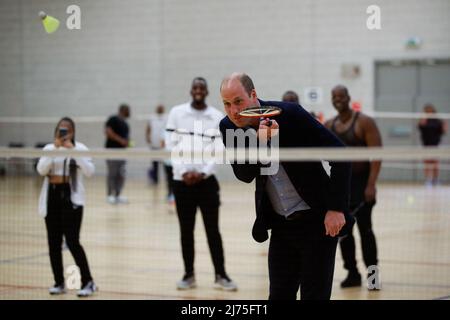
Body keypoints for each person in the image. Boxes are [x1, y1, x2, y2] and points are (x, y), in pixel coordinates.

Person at [219, 72, 352, 300]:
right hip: (280, 226)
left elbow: (340, 154)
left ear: (253, 95)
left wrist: (336, 208)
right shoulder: (228, 127)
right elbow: (244, 174)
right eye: (226, 104)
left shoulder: (291, 115)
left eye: (238, 102)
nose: (233, 111)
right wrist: (261, 143)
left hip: (316, 221)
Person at [165, 77, 237, 291]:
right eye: (195, 87)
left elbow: (219, 149)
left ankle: (221, 275)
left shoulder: (216, 117)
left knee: (213, 230)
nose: (198, 90)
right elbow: (170, 145)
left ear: (206, 92)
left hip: (207, 184)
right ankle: (189, 275)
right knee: (186, 231)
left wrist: (203, 173)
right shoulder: (177, 113)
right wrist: (183, 171)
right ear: (191, 90)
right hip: (182, 182)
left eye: (201, 88)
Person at [324, 85, 382, 289]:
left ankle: (373, 276)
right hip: (342, 188)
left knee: (366, 232)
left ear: (348, 97)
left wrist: (371, 185)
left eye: (341, 96)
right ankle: (352, 273)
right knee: (344, 233)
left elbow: (377, 155)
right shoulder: (329, 124)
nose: (337, 99)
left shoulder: (364, 122)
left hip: (362, 185)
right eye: (334, 96)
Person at [36, 117, 97, 297]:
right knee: (53, 243)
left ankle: (88, 281)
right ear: (56, 130)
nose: (63, 132)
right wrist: (56, 149)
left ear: (73, 132)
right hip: (52, 197)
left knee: (72, 241)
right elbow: (41, 170)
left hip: (72, 198)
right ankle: (59, 282)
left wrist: (74, 151)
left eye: (67, 129)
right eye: (61, 129)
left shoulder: (80, 149)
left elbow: (89, 171)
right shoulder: (49, 149)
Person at [146, 105, 175, 203]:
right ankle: (157, 182)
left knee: (172, 177)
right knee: (166, 174)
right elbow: (162, 143)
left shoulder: (170, 122)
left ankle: (172, 194)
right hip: (164, 154)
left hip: (173, 158)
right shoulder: (163, 131)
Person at [105, 104, 130, 204]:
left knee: (121, 175)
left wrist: (127, 142)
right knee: (112, 173)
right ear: (123, 110)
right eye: (128, 110)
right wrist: (121, 140)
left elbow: (126, 138)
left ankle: (117, 195)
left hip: (122, 153)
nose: (130, 112)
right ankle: (109, 195)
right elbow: (108, 132)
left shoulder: (126, 124)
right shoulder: (113, 119)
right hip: (112, 151)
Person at [418, 103, 447, 187]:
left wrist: (444, 126)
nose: (428, 112)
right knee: (427, 164)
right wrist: (424, 116)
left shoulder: (437, 121)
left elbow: (443, 131)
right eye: (427, 111)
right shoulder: (424, 120)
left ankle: (435, 180)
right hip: (426, 146)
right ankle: (428, 180)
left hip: (436, 146)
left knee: (435, 164)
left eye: (430, 110)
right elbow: (421, 125)